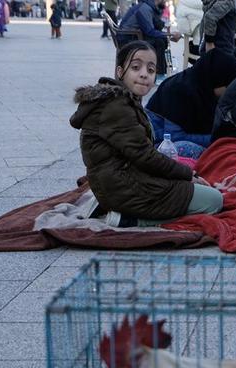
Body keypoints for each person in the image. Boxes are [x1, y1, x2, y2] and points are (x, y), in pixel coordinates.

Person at [71, 41, 225, 228]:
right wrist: (187, 175)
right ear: (120, 72)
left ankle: (118, 209)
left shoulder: (122, 101)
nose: (144, 74)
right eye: (136, 67)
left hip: (122, 183)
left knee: (197, 185)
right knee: (214, 201)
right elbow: (145, 156)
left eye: (151, 70)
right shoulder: (116, 107)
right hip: (126, 190)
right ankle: (128, 220)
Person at [145, 48, 236, 149]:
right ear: (217, 81)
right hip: (157, 143)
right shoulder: (179, 90)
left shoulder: (203, 89)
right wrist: (220, 139)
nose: (230, 93)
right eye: (229, 87)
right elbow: (174, 139)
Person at [117, 0, 181, 76]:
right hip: (127, 39)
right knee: (159, 42)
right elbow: (149, 31)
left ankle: (162, 70)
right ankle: (159, 74)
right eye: (164, 0)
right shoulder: (145, 8)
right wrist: (169, 35)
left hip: (132, 36)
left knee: (162, 40)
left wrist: (168, 34)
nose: (166, 2)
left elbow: (156, 24)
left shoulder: (150, 7)